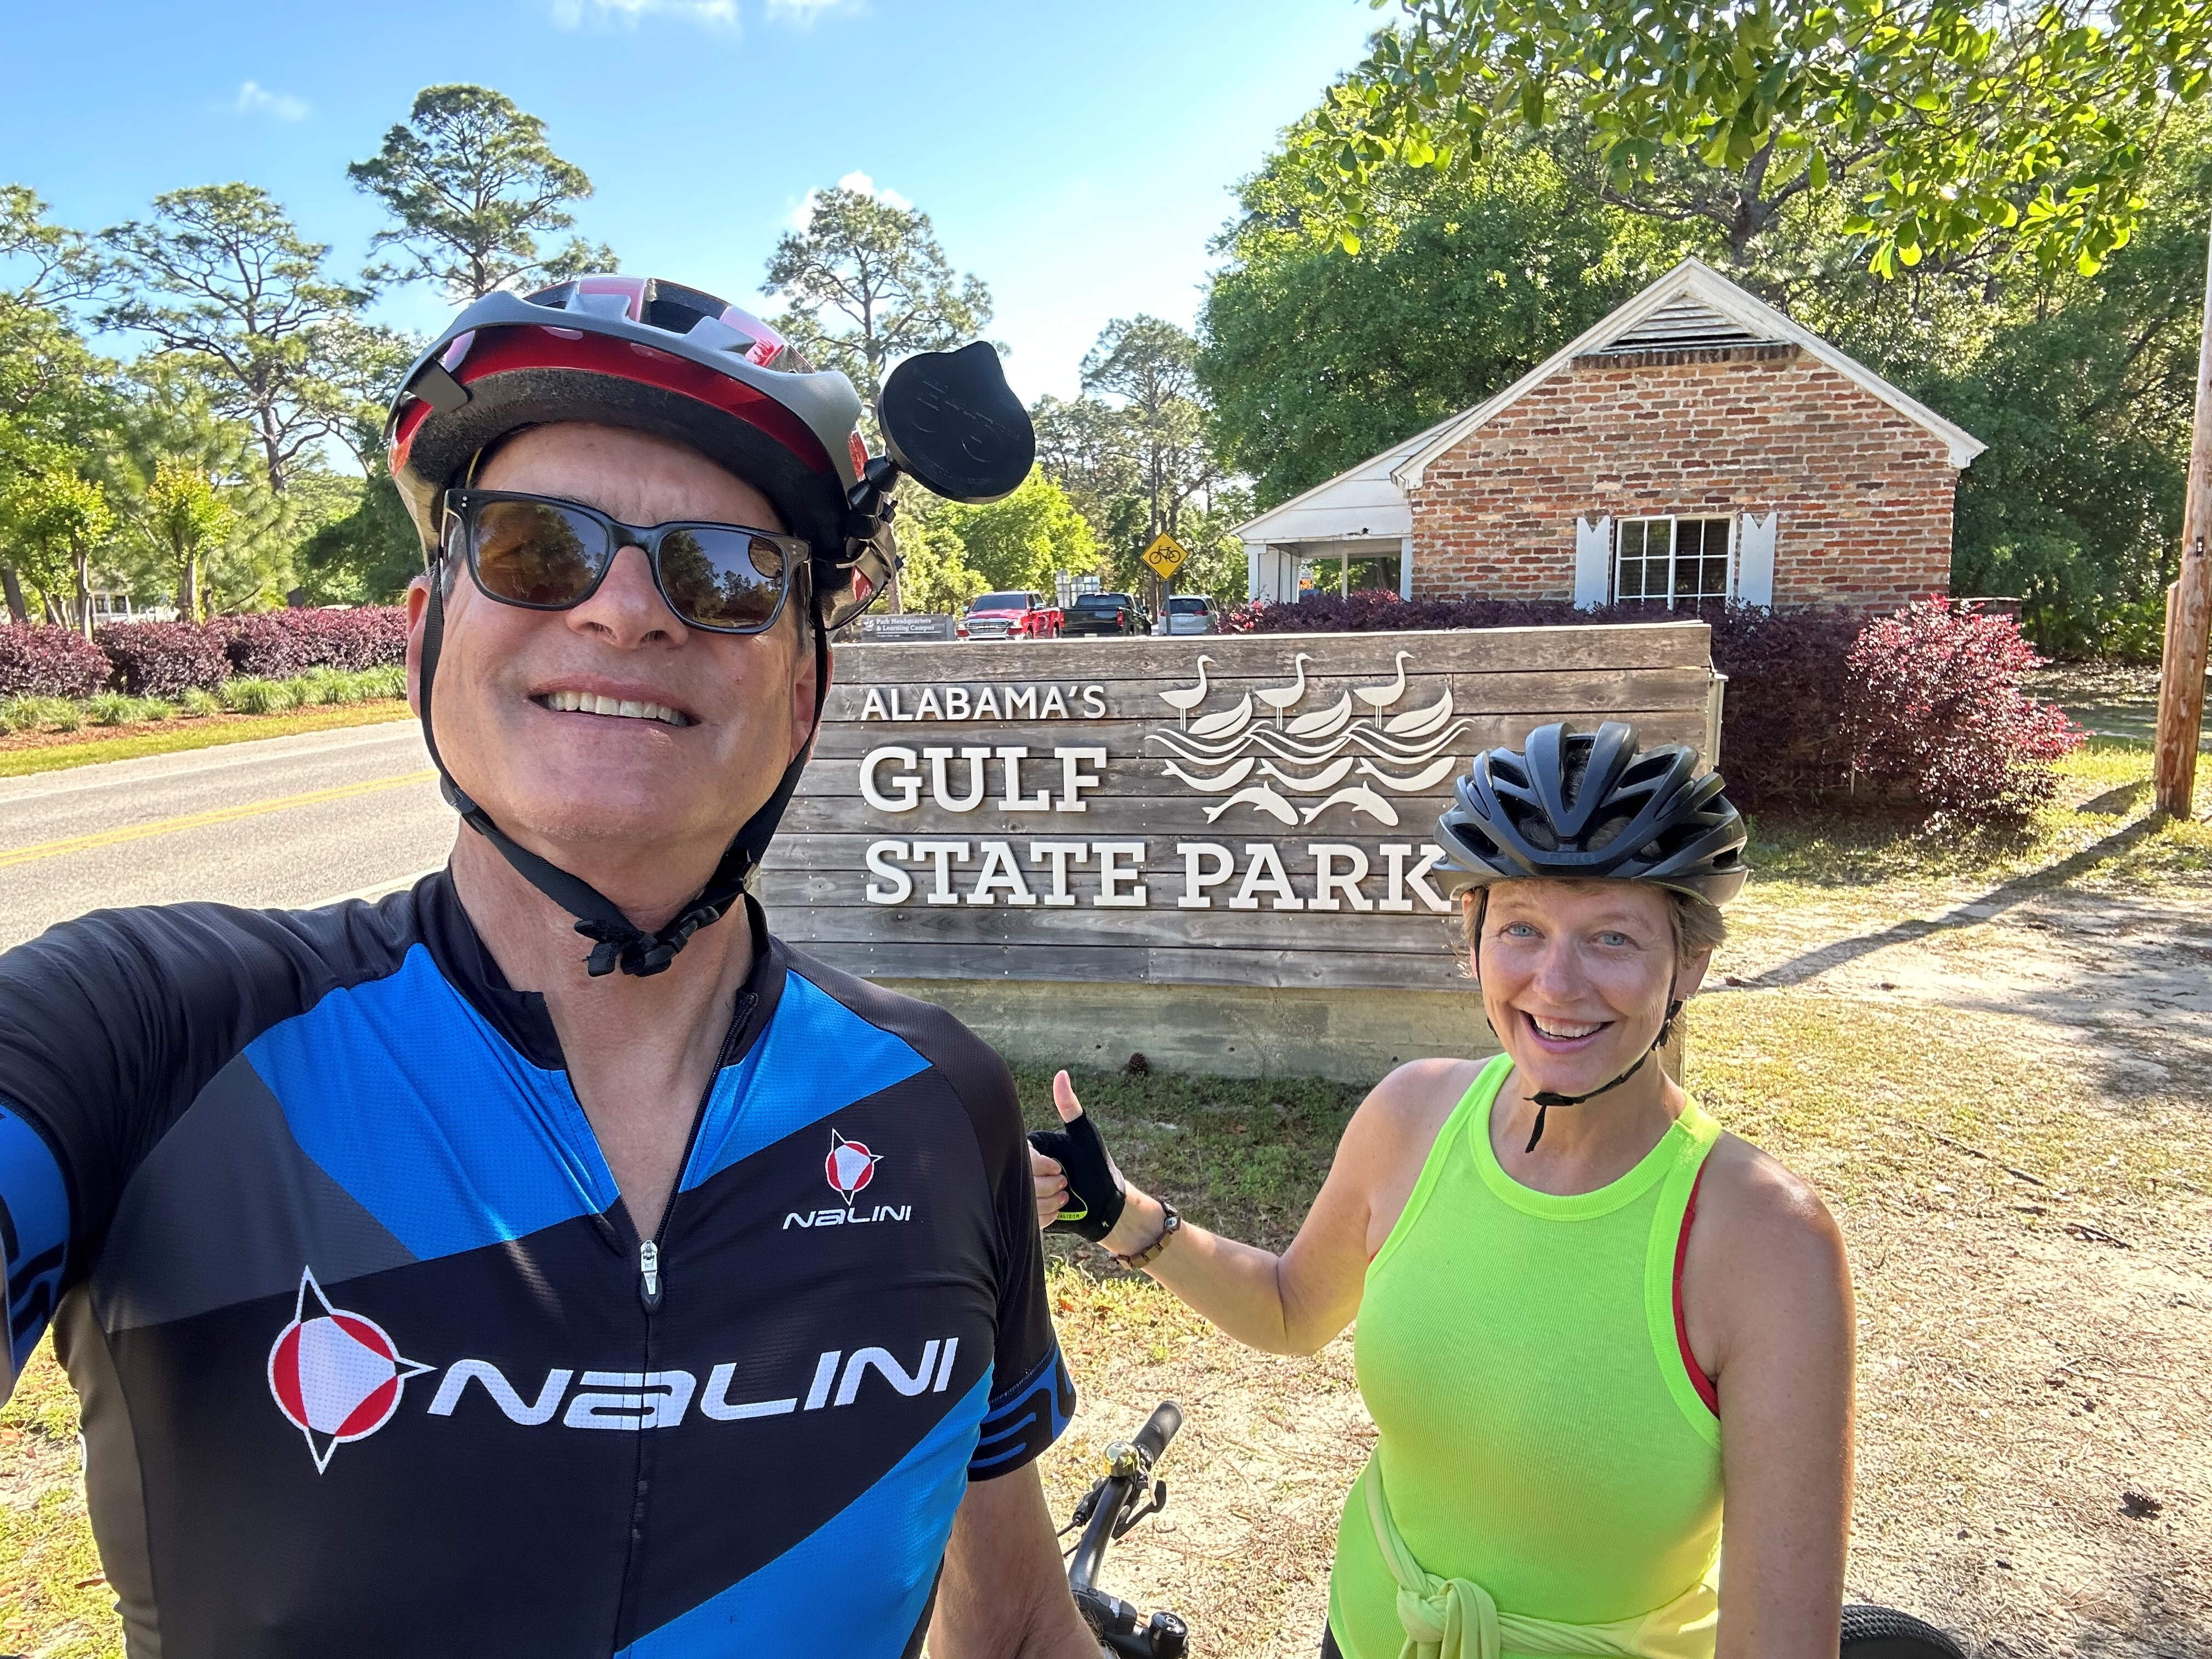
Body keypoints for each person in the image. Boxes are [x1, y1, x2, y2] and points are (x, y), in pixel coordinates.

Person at [0, 275, 1099, 1658]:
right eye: (534, 547)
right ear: (425, 633)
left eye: (728, 571)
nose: (628, 611)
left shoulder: (935, 1104)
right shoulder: (149, 1038)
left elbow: (1010, 1635)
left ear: (806, 688)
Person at [1031, 722, 1857, 1659]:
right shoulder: (1413, 1114)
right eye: (1521, 929)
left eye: (1614, 937)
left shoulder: (1764, 1241)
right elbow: (1295, 1309)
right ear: (1473, 940)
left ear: (1691, 964)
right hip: (1366, 1633)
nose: (1558, 983)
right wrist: (1119, 1215)